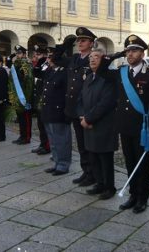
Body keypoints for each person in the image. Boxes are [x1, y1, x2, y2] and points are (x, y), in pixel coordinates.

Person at [116, 34, 149, 214]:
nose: (130, 54)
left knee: (142, 164)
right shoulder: (121, 72)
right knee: (129, 161)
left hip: (142, 128)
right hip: (125, 126)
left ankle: (143, 198)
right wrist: (114, 56)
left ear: (142, 53)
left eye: (134, 50)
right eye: (128, 51)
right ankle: (133, 195)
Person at [79, 47, 119, 200]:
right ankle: (99, 183)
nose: (92, 60)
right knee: (93, 155)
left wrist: (89, 119)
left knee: (105, 158)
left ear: (104, 59)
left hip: (104, 124)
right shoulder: (89, 77)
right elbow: (81, 99)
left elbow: (106, 103)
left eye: (96, 56)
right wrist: (82, 116)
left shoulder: (108, 78)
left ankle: (109, 187)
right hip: (88, 123)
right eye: (90, 58)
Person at [66, 28, 95, 187]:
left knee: (89, 144)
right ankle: (86, 172)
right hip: (74, 108)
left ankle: (93, 174)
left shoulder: (94, 58)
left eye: (83, 40)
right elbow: (57, 58)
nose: (79, 43)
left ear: (91, 43)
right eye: (78, 40)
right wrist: (67, 43)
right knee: (81, 144)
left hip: (86, 108)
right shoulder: (75, 58)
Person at [41, 43, 71, 176]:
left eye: (50, 57)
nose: (49, 60)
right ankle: (57, 162)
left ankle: (63, 165)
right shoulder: (51, 71)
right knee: (53, 140)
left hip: (59, 111)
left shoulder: (65, 72)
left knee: (61, 140)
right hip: (48, 110)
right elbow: (37, 71)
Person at [6, 45, 34, 145]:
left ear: (24, 54)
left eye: (20, 53)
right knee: (20, 118)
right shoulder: (16, 64)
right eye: (17, 53)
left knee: (25, 119)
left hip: (24, 96)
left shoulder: (26, 65)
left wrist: (27, 98)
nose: (18, 55)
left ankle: (26, 137)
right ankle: (22, 136)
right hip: (17, 95)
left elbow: (29, 82)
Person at [31, 45, 51, 155]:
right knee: (40, 124)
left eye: (38, 54)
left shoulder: (48, 66)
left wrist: (41, 61)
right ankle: (42, 144)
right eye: (36, 54)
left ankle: (47, 146)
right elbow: (35, 73)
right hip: (38, 97)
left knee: (45, 125)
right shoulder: (42, 65)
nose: (36, 56)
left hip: (44, 99)